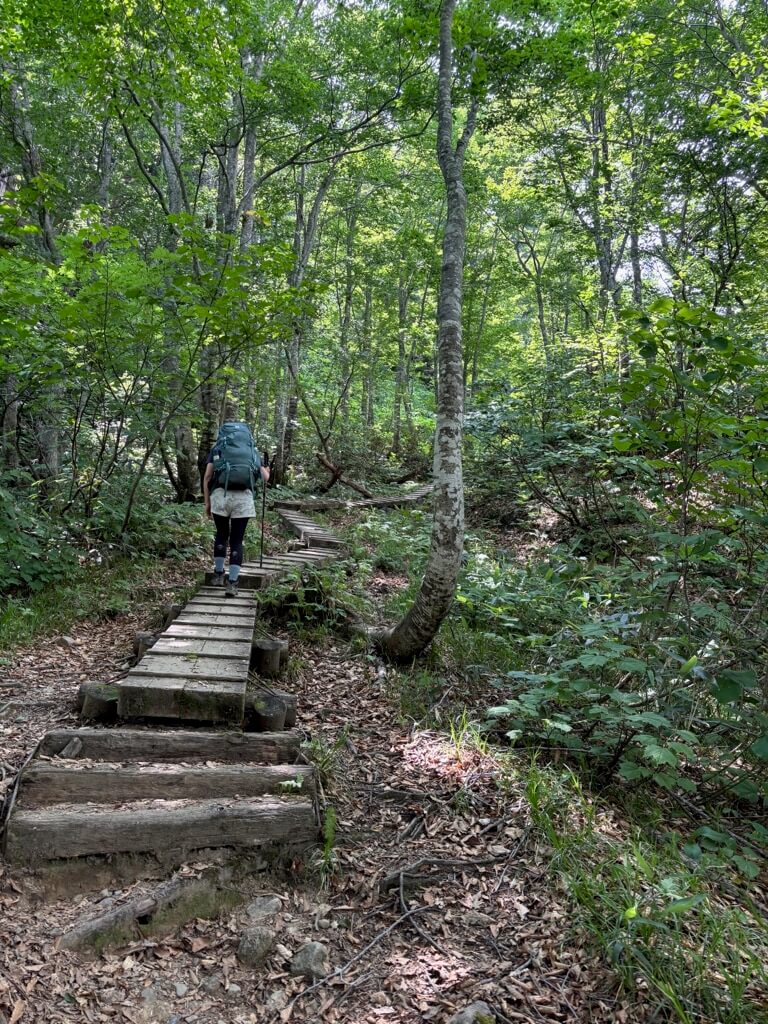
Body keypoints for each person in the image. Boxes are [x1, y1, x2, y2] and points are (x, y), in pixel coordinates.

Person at [203, 433, 269, 597]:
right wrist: (267, 470)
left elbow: (207, 477)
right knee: (237, 540)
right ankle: (232, 583)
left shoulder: (218, 448)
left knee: (221, 534)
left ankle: (218, 575)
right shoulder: (252, 450)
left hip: (220, 496)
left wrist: (207, 502)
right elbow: (265, 478)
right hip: (243, 499)